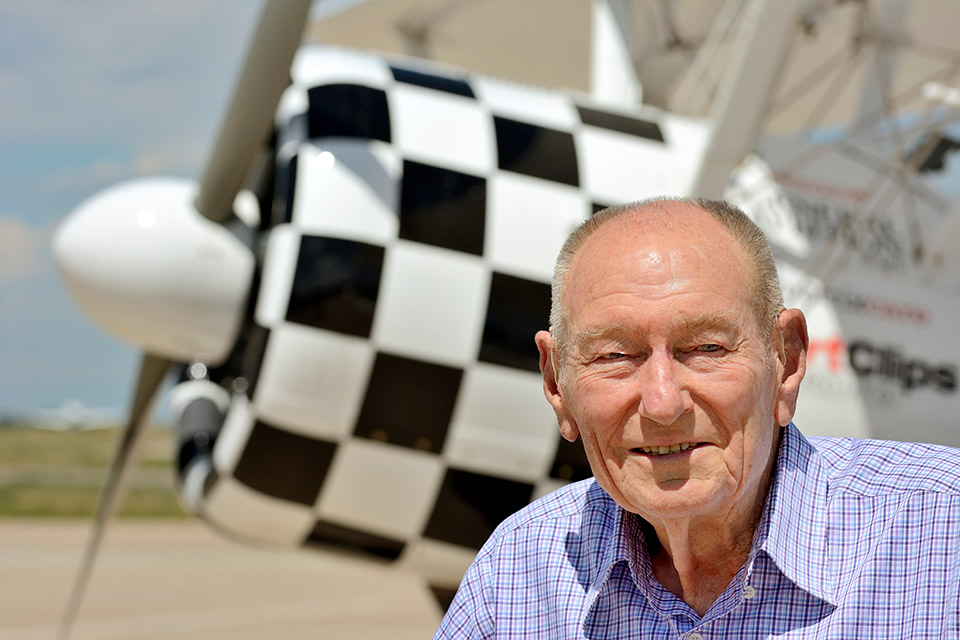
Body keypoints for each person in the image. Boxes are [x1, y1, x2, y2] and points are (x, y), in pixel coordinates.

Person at [434, 197, 960, 639]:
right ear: (556, 386)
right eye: (615, 356)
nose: (663, 404)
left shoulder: (943, 534)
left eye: (707, 348)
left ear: (787, 361)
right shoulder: (520, 571)